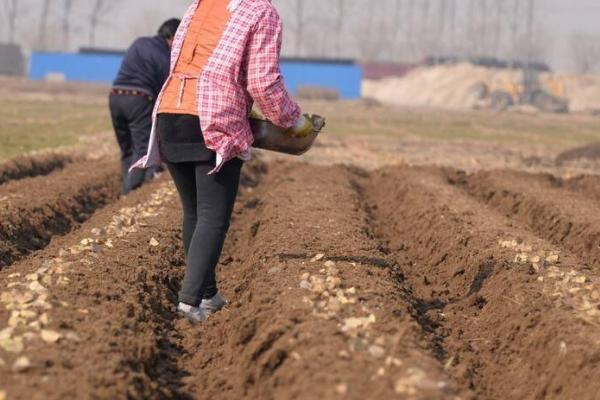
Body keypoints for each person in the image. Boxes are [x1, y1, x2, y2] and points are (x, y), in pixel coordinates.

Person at [131, 0, 315, 322]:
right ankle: (189, 304)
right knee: (214, 217)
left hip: (171, 115)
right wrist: (294, 121)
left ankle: (207, 293)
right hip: (213, 118)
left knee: (195, 212)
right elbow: (263, 82)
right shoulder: (261, 11)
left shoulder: (199, 5)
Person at [110, 18, 181, 195]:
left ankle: (127, 186)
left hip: (115, 97)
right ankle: (128, 194)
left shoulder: (139, 42)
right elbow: (167, 91)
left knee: (127, 149)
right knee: (142, 151)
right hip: (139, 99)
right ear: (173, 38)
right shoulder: (166, 57)